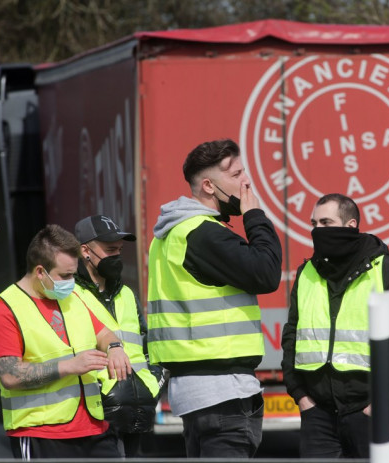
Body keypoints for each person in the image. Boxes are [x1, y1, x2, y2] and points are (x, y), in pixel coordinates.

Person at [147, 138, 282, 458]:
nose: (246, 181)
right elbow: (266, 274)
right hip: (223, 392)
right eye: (235, 175)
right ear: (208, 186)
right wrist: (255, 217)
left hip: (196, 392)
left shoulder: (171, 234)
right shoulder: (202, 233)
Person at [281, 193, 389, 459]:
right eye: (314, 224)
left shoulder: (386, 270)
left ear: (350, 225)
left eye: (326, 222)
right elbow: (291, 335)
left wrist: (379, 404)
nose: (318, 230)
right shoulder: (306, 273)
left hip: (368, 411)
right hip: (318, 414)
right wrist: (301, 396)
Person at [0, 224, 132, 460]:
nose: (71, 282)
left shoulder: (73, 298)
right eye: (65, 276)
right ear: (40, 272)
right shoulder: (4, 308)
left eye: (73, 274)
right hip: (42, 435)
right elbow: (10, 376)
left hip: (95, 429)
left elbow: (105, 334)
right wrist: (69, 366)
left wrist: (115, 348)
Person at [73, 215, 163, 457]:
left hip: (135, 413)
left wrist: (152, 385)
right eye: (110, 249)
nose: (117, 256)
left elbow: (148, 345)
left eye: (119, 250)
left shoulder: (126, 294)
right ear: (85, 251)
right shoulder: (70, 296)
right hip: (92, 416)